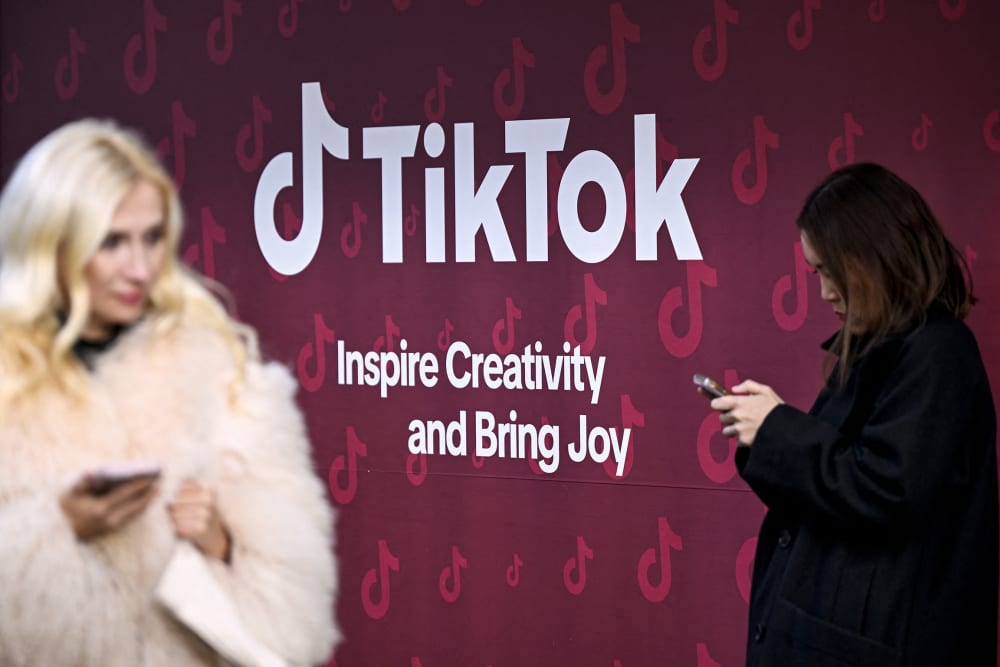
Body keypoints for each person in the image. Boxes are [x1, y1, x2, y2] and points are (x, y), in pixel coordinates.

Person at [0, 119, 340, 666]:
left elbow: (297, 616)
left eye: (152, 237)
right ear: (52, 241)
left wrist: (220, 543)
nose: (140, 267)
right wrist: (57, 531)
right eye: (112, 242)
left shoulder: (216, 369)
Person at [710, 162, 998, 666]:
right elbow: (832, 486)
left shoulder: (940, 352)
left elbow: (887, 488)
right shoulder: (878, 350)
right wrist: (762, 432)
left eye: (829, 271)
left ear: (875, 257)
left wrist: (778, 429)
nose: (824, 292)